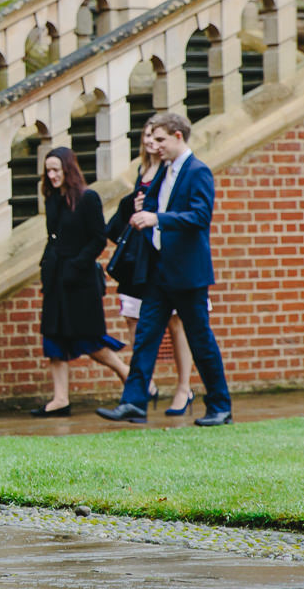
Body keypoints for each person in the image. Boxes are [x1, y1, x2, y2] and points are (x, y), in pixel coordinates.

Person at [99, 112, 233, 426]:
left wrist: (158, 219)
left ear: (178, 136)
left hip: (188, 273)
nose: (154, 145)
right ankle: (133, 403)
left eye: (160, 139)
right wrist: (141, 212)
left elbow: (200, 217)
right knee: (146, 336)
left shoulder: (198, 171)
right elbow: (150, 207)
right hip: (159, 271)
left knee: (200, 340)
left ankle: (220, 406)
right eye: (152, 139)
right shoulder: (164, 171)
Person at [106, 119, 195, 415]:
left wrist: (153, 213)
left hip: (169, 257)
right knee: (139, 325)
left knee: (178, 324)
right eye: (146, 136)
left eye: (156, 137)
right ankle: (139, 392)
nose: (150, 142)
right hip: (141, 256)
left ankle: (185, 388)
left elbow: (192, 214)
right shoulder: (143, 171)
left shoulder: (179, 170)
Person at [32, 147, 128, 416]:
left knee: (89, 341)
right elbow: (54, 238)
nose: (51, 175)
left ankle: (130, 376)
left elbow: (98, 238)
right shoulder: (52, 199)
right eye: (48, 171)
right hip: (55, 281)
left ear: (68, 170)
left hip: (79, 282)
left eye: (56, 170)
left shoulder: (88, 199)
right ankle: (60, 399)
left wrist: (75, 265)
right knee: (54, 341)